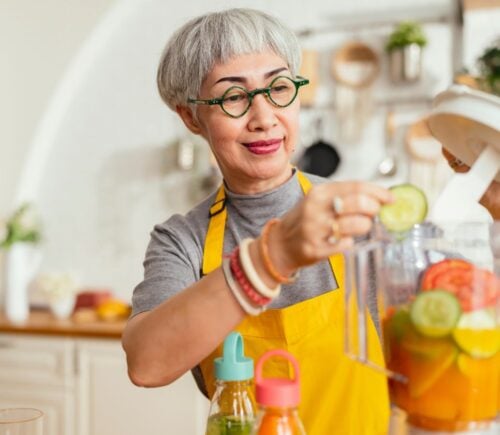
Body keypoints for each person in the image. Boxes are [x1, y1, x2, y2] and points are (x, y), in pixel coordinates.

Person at [122, 8, 394, 435]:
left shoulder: (360, 212)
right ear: (191, 117)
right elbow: (146, 363)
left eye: (279, 87)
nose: (265, 117)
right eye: (233, 97)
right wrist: (271, 256)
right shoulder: (182, 241)